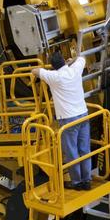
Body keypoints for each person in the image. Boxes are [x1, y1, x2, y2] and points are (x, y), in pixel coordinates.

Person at [34, 51, 92, 189]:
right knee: (85, 149)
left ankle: (77, 182)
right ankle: (87, 180)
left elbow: (34, 71)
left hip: (68, 120)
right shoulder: (75, 70)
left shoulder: (54, 76)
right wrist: (70, 62)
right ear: (63, 61)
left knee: (72, 151)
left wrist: (43, 68)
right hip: (83, 115)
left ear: (53, 66)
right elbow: (82, 58)